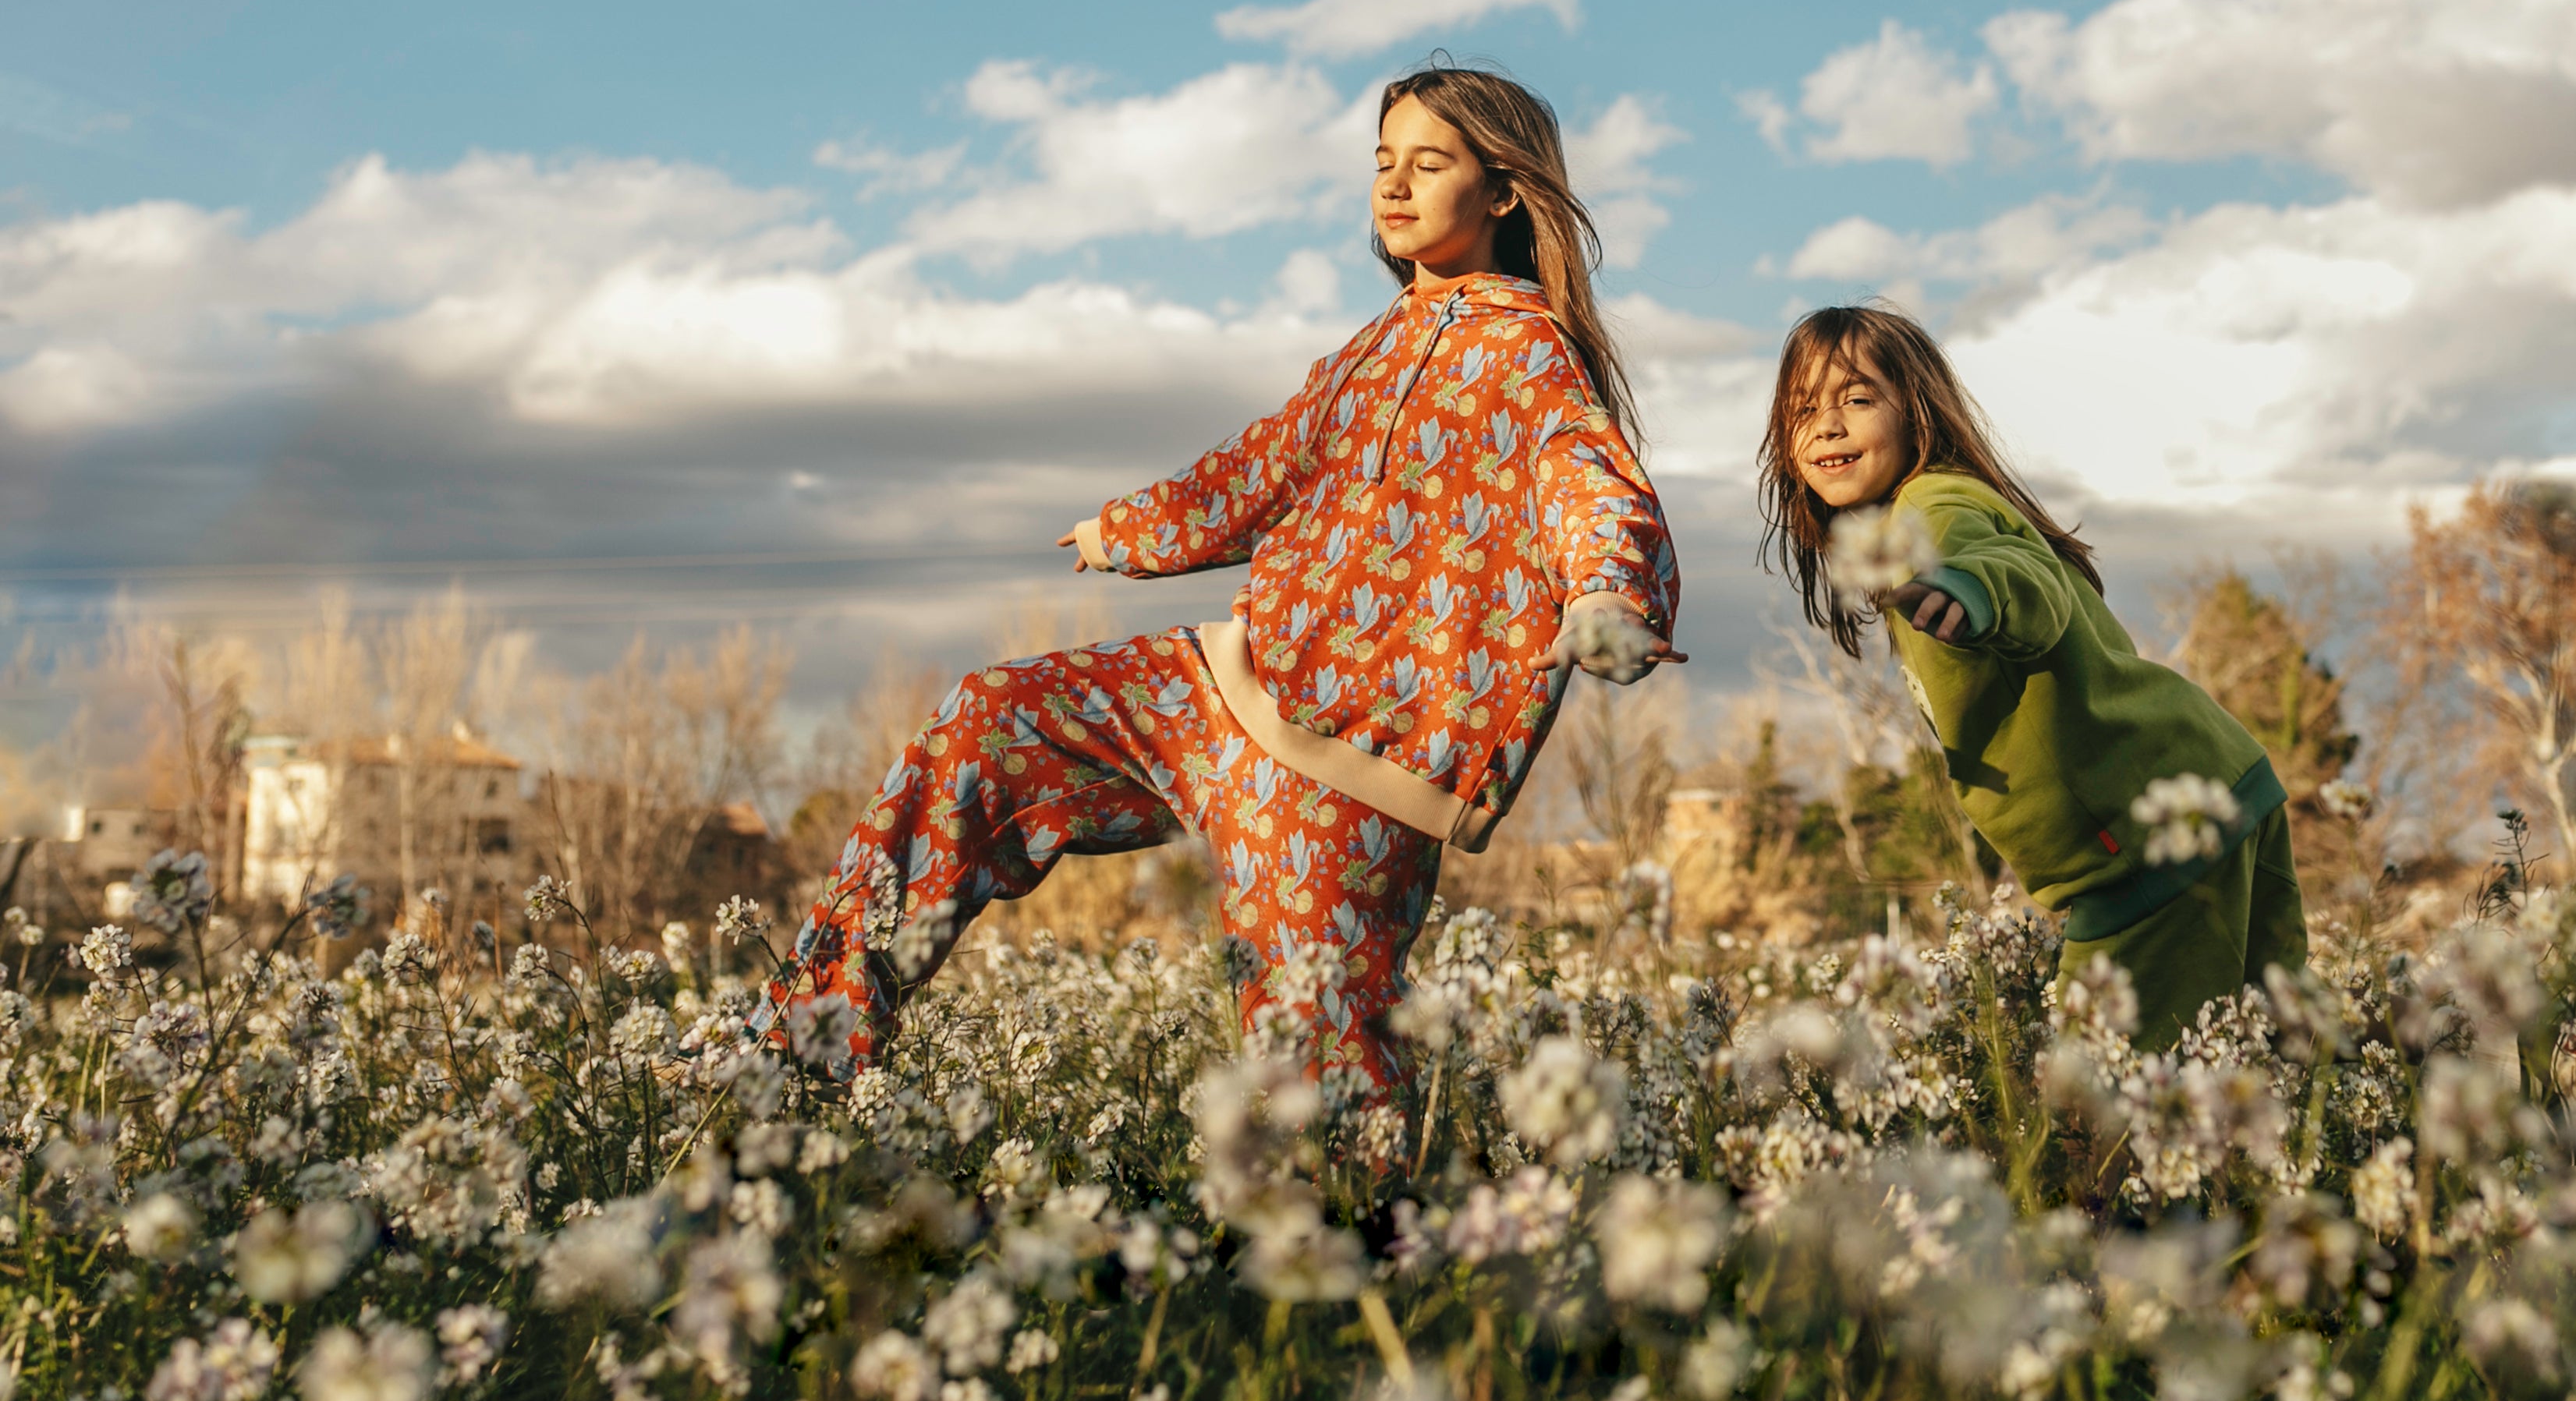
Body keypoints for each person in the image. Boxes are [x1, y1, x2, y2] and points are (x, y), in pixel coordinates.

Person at [760, 65, 1681, 1090]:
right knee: (988, 720)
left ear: (1503, 191)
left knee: (1319, 1074)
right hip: (1220, 690)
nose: (1393, 186)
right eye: (1382, 164)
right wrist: (1131, 529)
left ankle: (1352, 1234)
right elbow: (1261, 470)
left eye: (1429, 163)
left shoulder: (1527, 351)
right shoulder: (1368, 350)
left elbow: (1583, 474)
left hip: (1345, 771)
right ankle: (799, 1051)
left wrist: (1608, 595)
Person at [1758, 302, 2307, 1052]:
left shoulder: (1936, 508)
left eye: (1856, 399)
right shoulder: (1917, 523)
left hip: (2150, 843)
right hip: (2214, 780)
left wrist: (1967, 589)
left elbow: (2024, 585)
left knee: (2100, 1106)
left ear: (1918, 413)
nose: (1826, 425)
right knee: (2285, 1053)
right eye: (1802, 409)